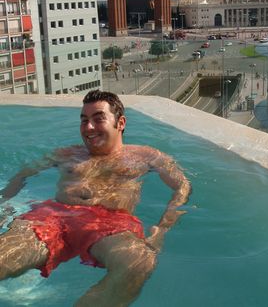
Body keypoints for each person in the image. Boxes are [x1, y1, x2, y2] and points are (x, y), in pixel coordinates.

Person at [0, 90, 191, 306]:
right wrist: (3, 206)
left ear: (120, 123)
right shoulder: (66, 154)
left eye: (98, 119)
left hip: (109, 224)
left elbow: (182, 187)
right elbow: (23, 174)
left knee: (140, 261)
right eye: (84, 120)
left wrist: (162, 230)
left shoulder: (146, 156)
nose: (88, 127)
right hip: (55, 217)